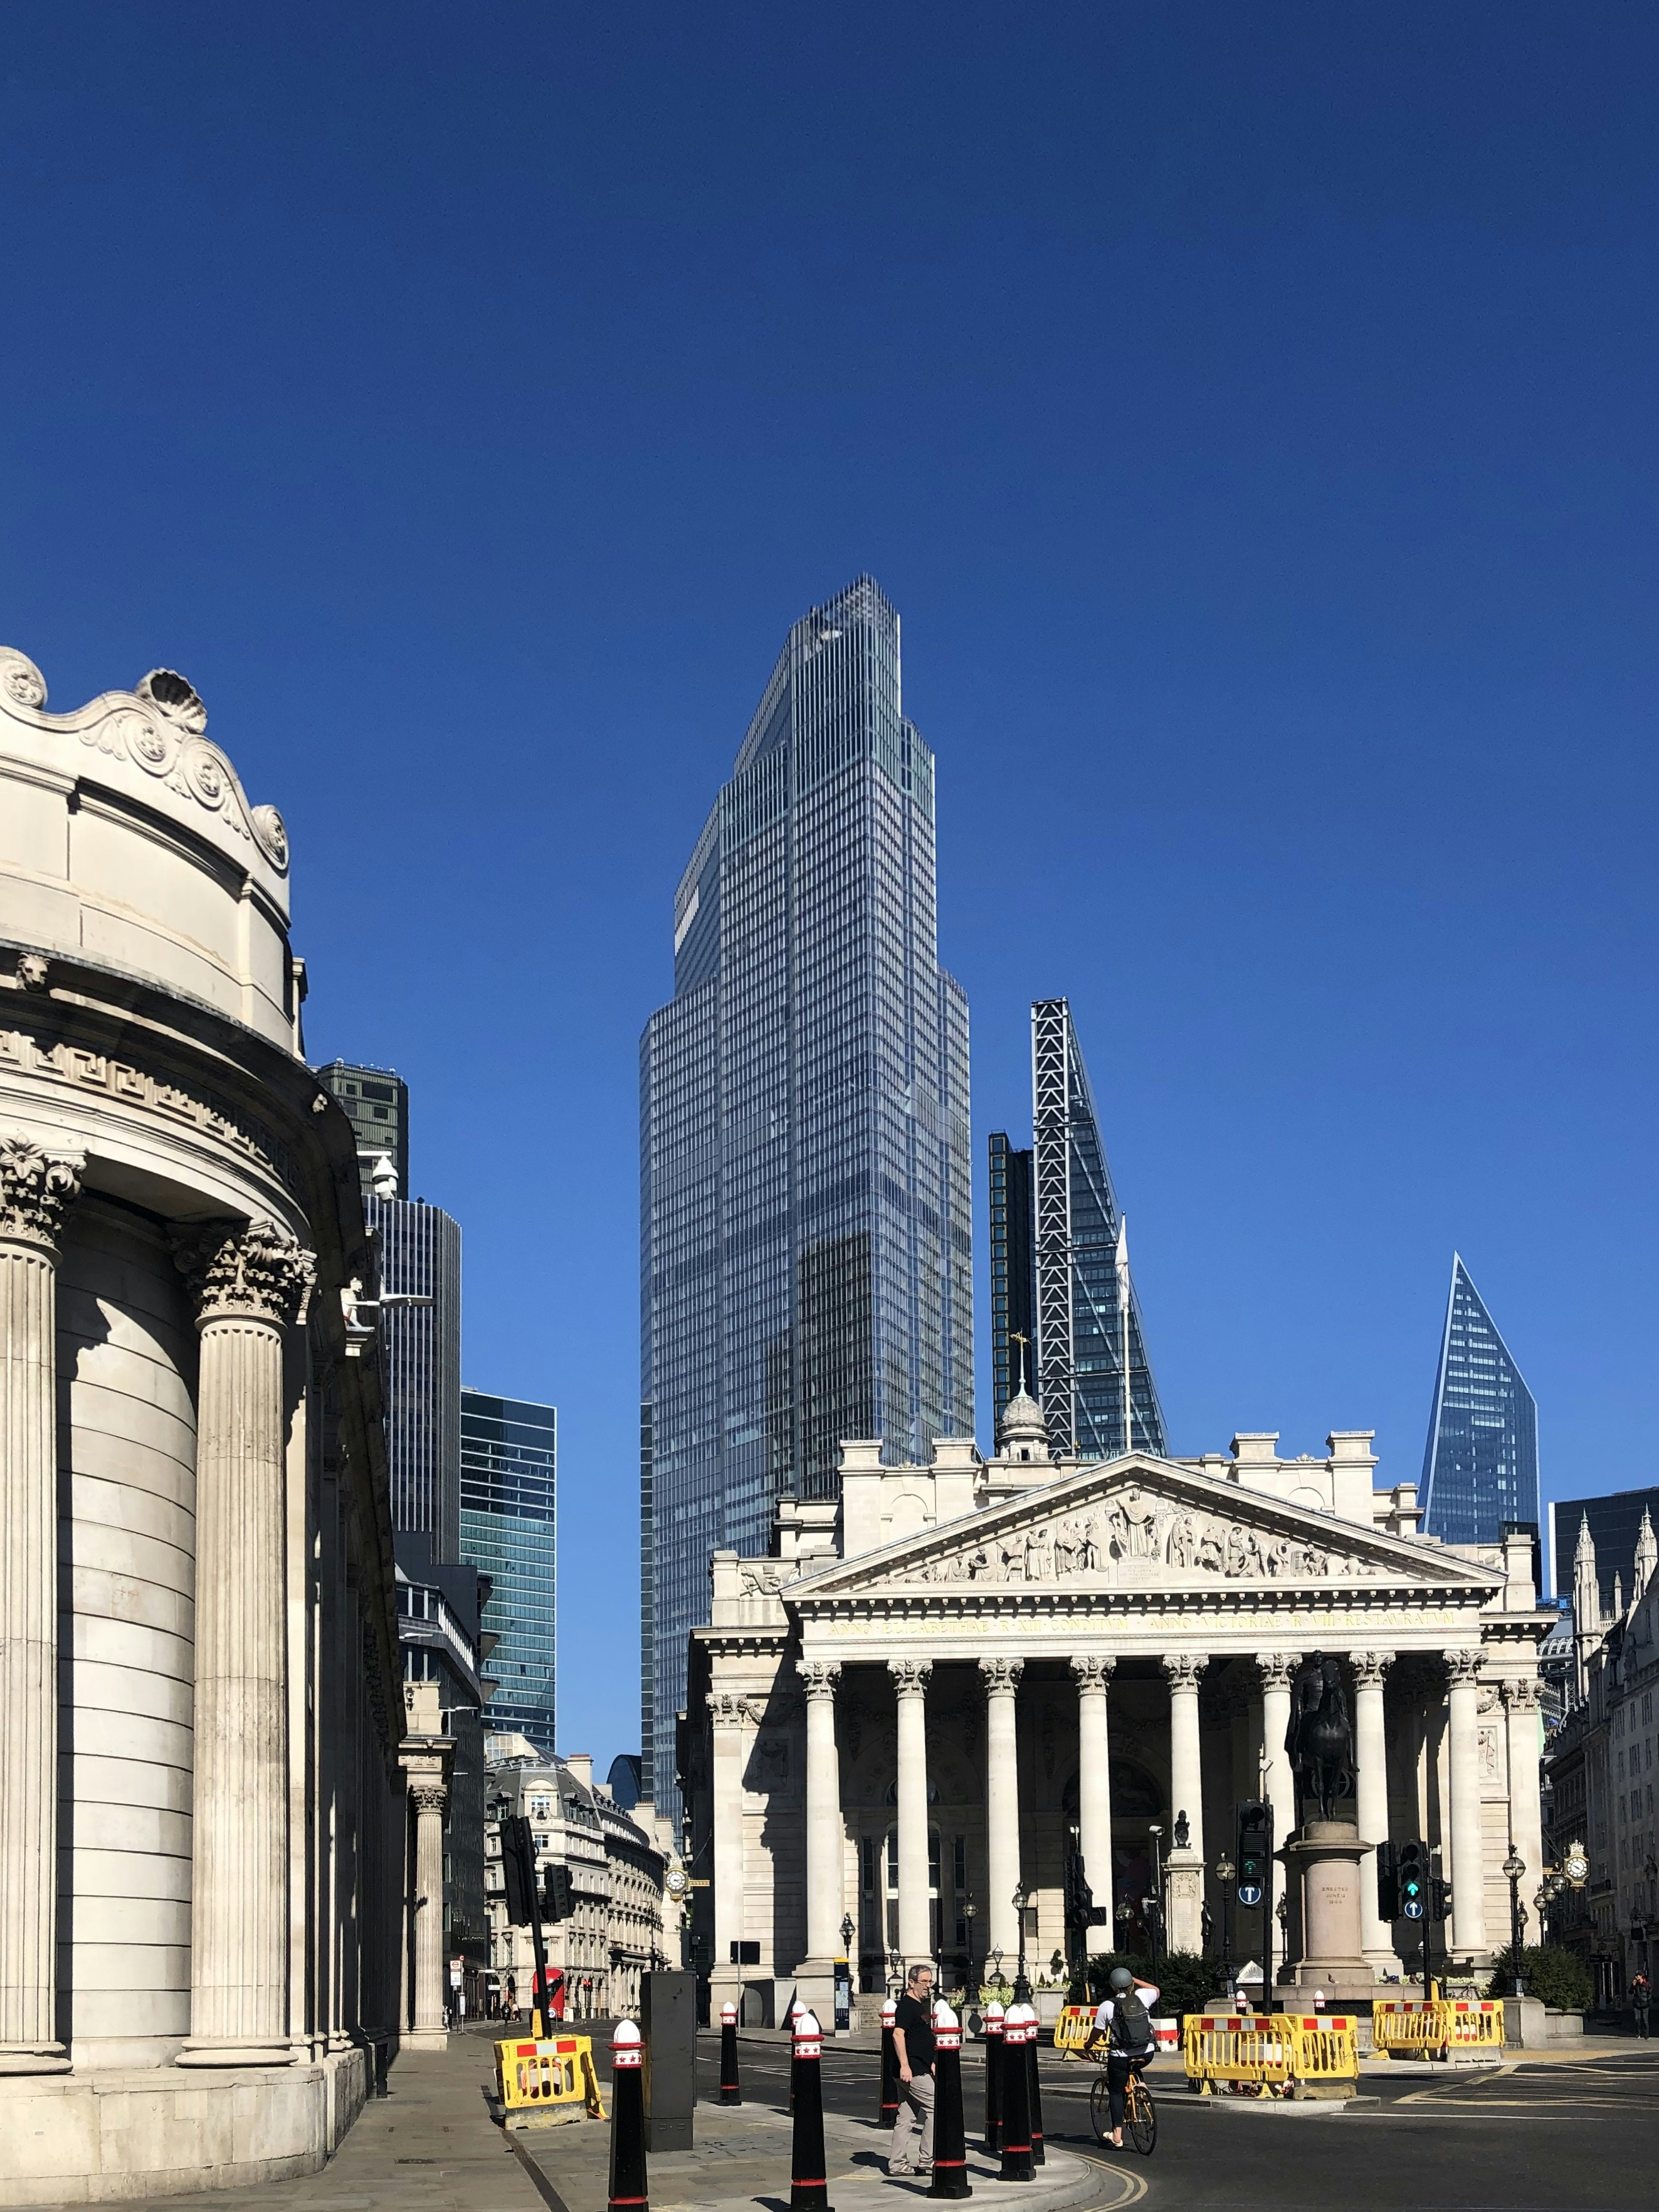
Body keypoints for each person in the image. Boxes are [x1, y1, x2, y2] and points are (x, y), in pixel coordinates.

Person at [1084, 1966, 1159, 2149]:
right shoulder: (1143, 1996)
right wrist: (1135, 1979)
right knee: (1135, 2065)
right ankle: (1141, 2087)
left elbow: (1098, 2032)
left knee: (1116, 2092)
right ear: (1131, 1984)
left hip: (1120, 2056)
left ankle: (1117, 2136)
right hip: (1147, 2052)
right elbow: (1156, 1990)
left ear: (1113, 1986)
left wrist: (1088, 2045)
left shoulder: (1107, 2006)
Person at [888, 1962, 937, 2177]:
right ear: (911, 1982)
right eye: (923, 1982)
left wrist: (931, 2063)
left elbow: (919, 2040)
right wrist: (905, 2066)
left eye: (929, 1981)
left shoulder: (918, 2006)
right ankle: (927, 2159)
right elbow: (898, 2035)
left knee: (906, 2118)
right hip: (913, 2071)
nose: (927, 1986)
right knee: (936, 2108)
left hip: (917, 2067)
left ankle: (897, 2164)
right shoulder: (907, 2006)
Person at [1633, 1974, 1651, 2040]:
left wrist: (1647, 2000)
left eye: (1637, 1976)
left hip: (1645, 2004)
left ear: (1641, 1977)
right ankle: (1638, 2033)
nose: (1636, 1977)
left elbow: (1650, 1993)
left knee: (1645, 2020)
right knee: (1637, 2019)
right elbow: (1630, 1992)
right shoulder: (1636, 1984)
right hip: (1637, 2004)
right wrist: (1633, 1986)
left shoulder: (1646, 1984)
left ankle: (1646, 2034)